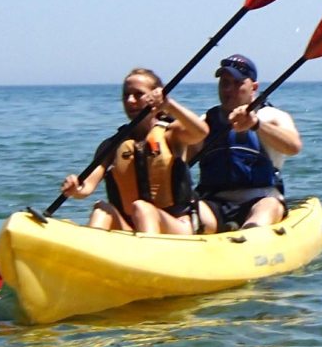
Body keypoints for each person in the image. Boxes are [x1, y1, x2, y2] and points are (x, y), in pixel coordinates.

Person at [61, 68, 216, 234]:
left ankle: (147, 255)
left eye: (138, 94)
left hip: (176, 226)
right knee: (101, 209)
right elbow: (87, 187)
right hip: (132, 227)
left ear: (155, 97)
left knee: (142, 208)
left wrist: (169, 104)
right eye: (126, 95)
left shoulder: (171, 133)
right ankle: (87, 255)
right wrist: (76, 189)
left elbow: (201, 132)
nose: (130, 100)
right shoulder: (112, 145)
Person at [189, 54, 302, 231]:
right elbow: (182, 159)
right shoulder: (204, 122)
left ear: (253, 88)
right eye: (224, 83)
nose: (229, 89)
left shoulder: (272, 116)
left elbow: (293, 146)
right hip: (214, 202)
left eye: (237, 83)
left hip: (261, 200)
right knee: (195, 218)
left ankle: (251, 236)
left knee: (264, 212)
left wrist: (256, 125)